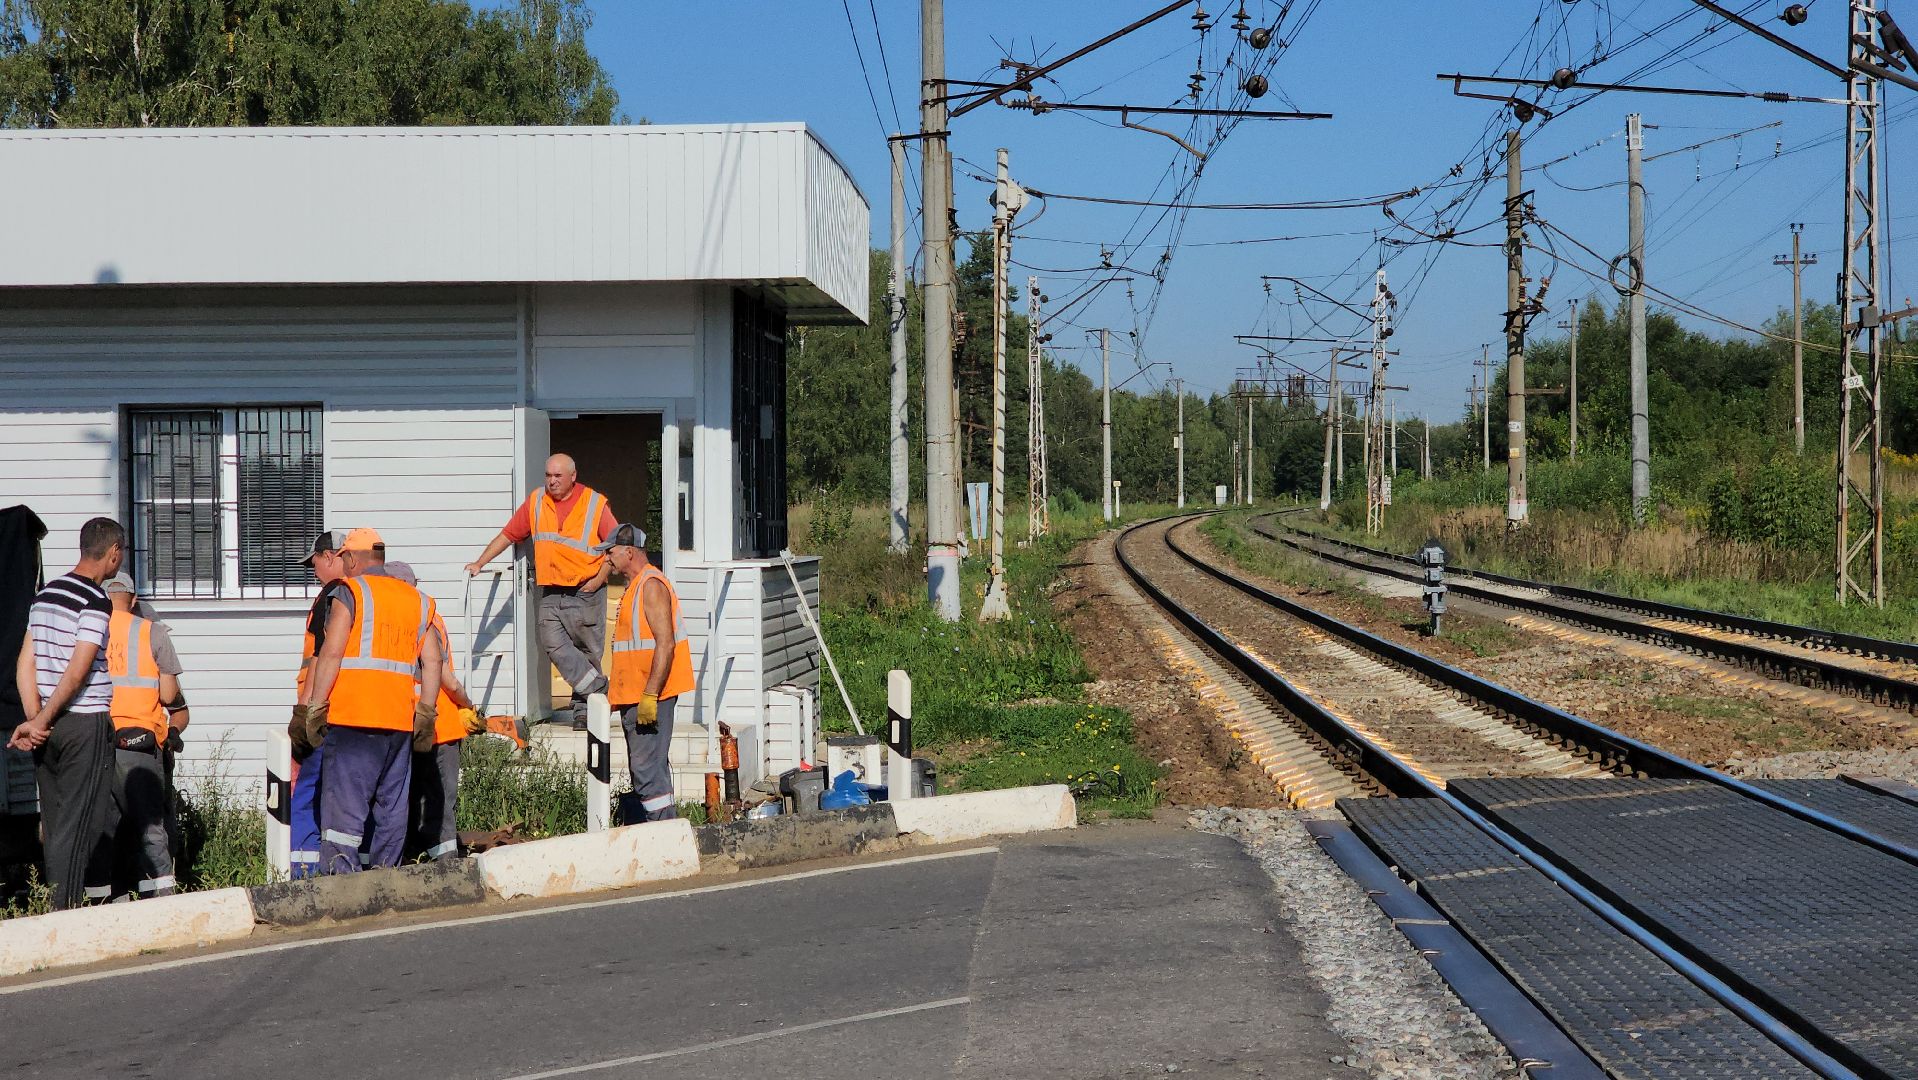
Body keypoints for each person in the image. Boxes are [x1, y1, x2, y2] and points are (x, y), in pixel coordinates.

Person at [299, 530, 442, 874]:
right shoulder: (418, 600)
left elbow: (331, 653)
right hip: (399, 721)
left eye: (344, 557)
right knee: (392, 807)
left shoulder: (351, 592)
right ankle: (386, 878)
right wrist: (425, 713)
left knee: (344, 809)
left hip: (354, 718)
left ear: (351, 558)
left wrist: (314, 707)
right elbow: (433, 661)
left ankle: (341, 879)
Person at [10, 517, 122, 909]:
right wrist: (40, 721)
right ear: (113, 553)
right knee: (80, 824)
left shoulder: (45, 596)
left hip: (48, 726)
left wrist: (35, 719)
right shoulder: (95, 600)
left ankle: (53, 907)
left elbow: (25, 663)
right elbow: (79, 670)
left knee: (56, 822)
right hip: (84, 723)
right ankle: (66, 912)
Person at [465, 454, 616, 730]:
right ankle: (600, 689)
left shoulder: (594, 504)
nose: (551, 481)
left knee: (588, 652)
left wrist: (598, 580)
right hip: (551, 591)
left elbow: (616, 546)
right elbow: (508, 535)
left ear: (573, 476)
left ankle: (584, 711)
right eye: (548, 475)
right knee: (554, 646)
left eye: (558, 476)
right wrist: (480, 563)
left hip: (587, 591)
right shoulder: (536, 501)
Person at [598, 524, 694, 823]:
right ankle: (667, 832)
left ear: (629, 552)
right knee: (650, 769)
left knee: (646, 770)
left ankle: (662, 834)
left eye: (610, 552)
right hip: (637, 696)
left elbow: (665, 644)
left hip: (648, 697)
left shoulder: (650, 586)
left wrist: (650, 695)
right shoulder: (636, 586)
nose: (606, 559)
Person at [101, 572, 189, 899]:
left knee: (106, 831)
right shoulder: (150, 632)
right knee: (152, 829)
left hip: (98, 742)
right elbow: (170, 697)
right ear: (134, 600)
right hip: (140, 744)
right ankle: (162, 902)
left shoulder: (89, 632)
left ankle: (107, 902)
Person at [385, 561, 474, 862]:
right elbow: (447, 679)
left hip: (406, 719)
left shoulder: (389, 620)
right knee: (440, 798)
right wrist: (467, 704)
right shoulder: (429, 617)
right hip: (439, 721)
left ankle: (414, 858)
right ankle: (444, 863)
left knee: (407, 795)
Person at [287, 530, 353, 878]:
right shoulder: (363, 597)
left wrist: (304, 712)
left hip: (322, 711)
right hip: (351, 714)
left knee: (307, 793)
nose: (313, 572)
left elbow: (319, 658)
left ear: (330, 557)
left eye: (313, 563)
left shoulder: (332, 596)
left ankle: (303, 872)